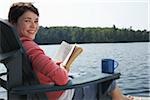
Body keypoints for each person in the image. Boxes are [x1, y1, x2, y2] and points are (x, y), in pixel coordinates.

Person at [8, 2, 134, 100]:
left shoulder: (18, 46)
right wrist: (62, 68)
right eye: (27, 21)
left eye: (36, 21)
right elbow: (62, 79)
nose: (33, 26)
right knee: (108, 81)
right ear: (13, 23)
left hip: (40, 92)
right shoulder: (31, 48)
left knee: (81, 75)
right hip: (59, 95)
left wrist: (56, 66)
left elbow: (40, 68)